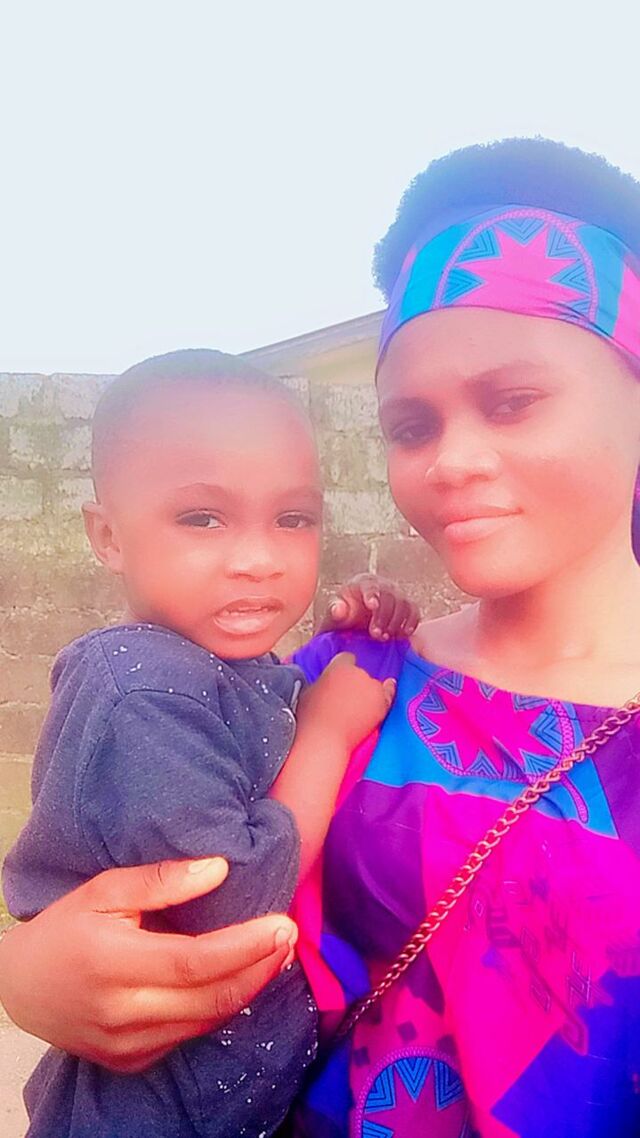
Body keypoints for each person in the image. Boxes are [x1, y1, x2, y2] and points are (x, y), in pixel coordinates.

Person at [3, 136, 640, 1137]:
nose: (453, 461)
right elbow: (158, 876)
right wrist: (29, 974)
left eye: (512, 403)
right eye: (412, 426)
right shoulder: (353, 675)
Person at [1, 348, 416, 1138]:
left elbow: (265, 739)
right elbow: (229, 902)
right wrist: (328, 732)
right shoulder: (141, 692)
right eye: (202, 518)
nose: (259, 561)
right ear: (108, 536)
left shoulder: (215, 664)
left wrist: (349, 635)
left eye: (293, 519)